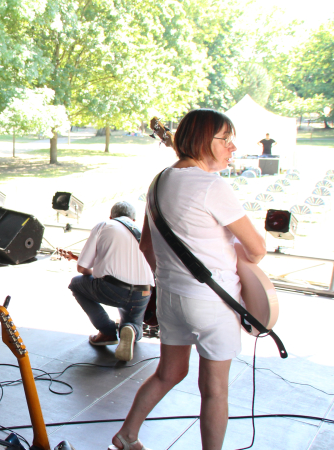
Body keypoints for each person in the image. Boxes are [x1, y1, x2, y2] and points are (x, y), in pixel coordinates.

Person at [109, 109, 266, 450]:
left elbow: (146, 246)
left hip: (171, 298)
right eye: (225, 139)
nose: (233, 147)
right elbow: (258, 249)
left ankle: (126, 435)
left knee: (169, 372)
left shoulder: (159, 181)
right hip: (212, 303)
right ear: (201, 141)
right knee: (214, 390)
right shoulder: (212, 185)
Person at [68, 201, 154, 362]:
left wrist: (95, 273)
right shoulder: (141, 231)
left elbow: (82, 268)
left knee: (76, 284)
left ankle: (107, 331)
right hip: (143, 291)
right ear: (133, 219)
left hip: (113, 289)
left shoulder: (104, 225)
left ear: (111, 216)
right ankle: (131, 329)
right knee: (133, 320)